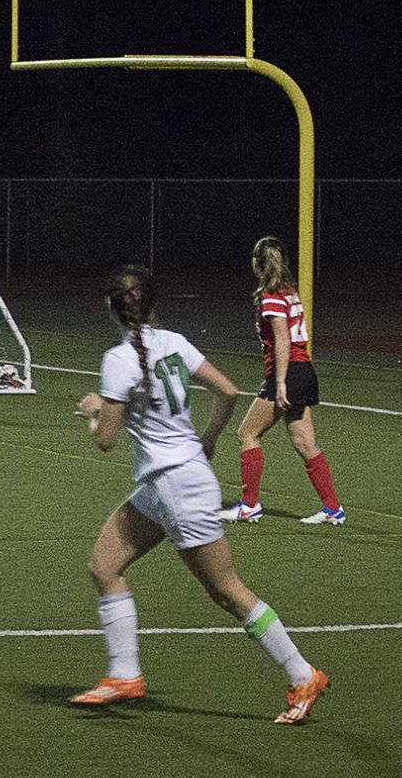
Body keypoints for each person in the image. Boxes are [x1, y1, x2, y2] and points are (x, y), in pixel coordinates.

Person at [71, 264, 328, 725]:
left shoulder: (118, 360)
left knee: (227, 592)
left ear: (111, 307)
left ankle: (302, 673)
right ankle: (125, 674)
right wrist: (207, 439)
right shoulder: (175, 342)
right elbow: (228, 392)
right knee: (104, 565)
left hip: (176, 487)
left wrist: (94, 410)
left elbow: (105, 439)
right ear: (153, 305)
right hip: (169, 482)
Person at [221, 237, 345, 525]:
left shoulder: (272, 295)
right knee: (304, 442)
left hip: (289, 372)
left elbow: (282, 340)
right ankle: (333, 509)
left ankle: (249, 506)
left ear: (256, 262)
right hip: (303, 371)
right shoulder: (288, 291)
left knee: (247, 433)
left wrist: (279, 382)